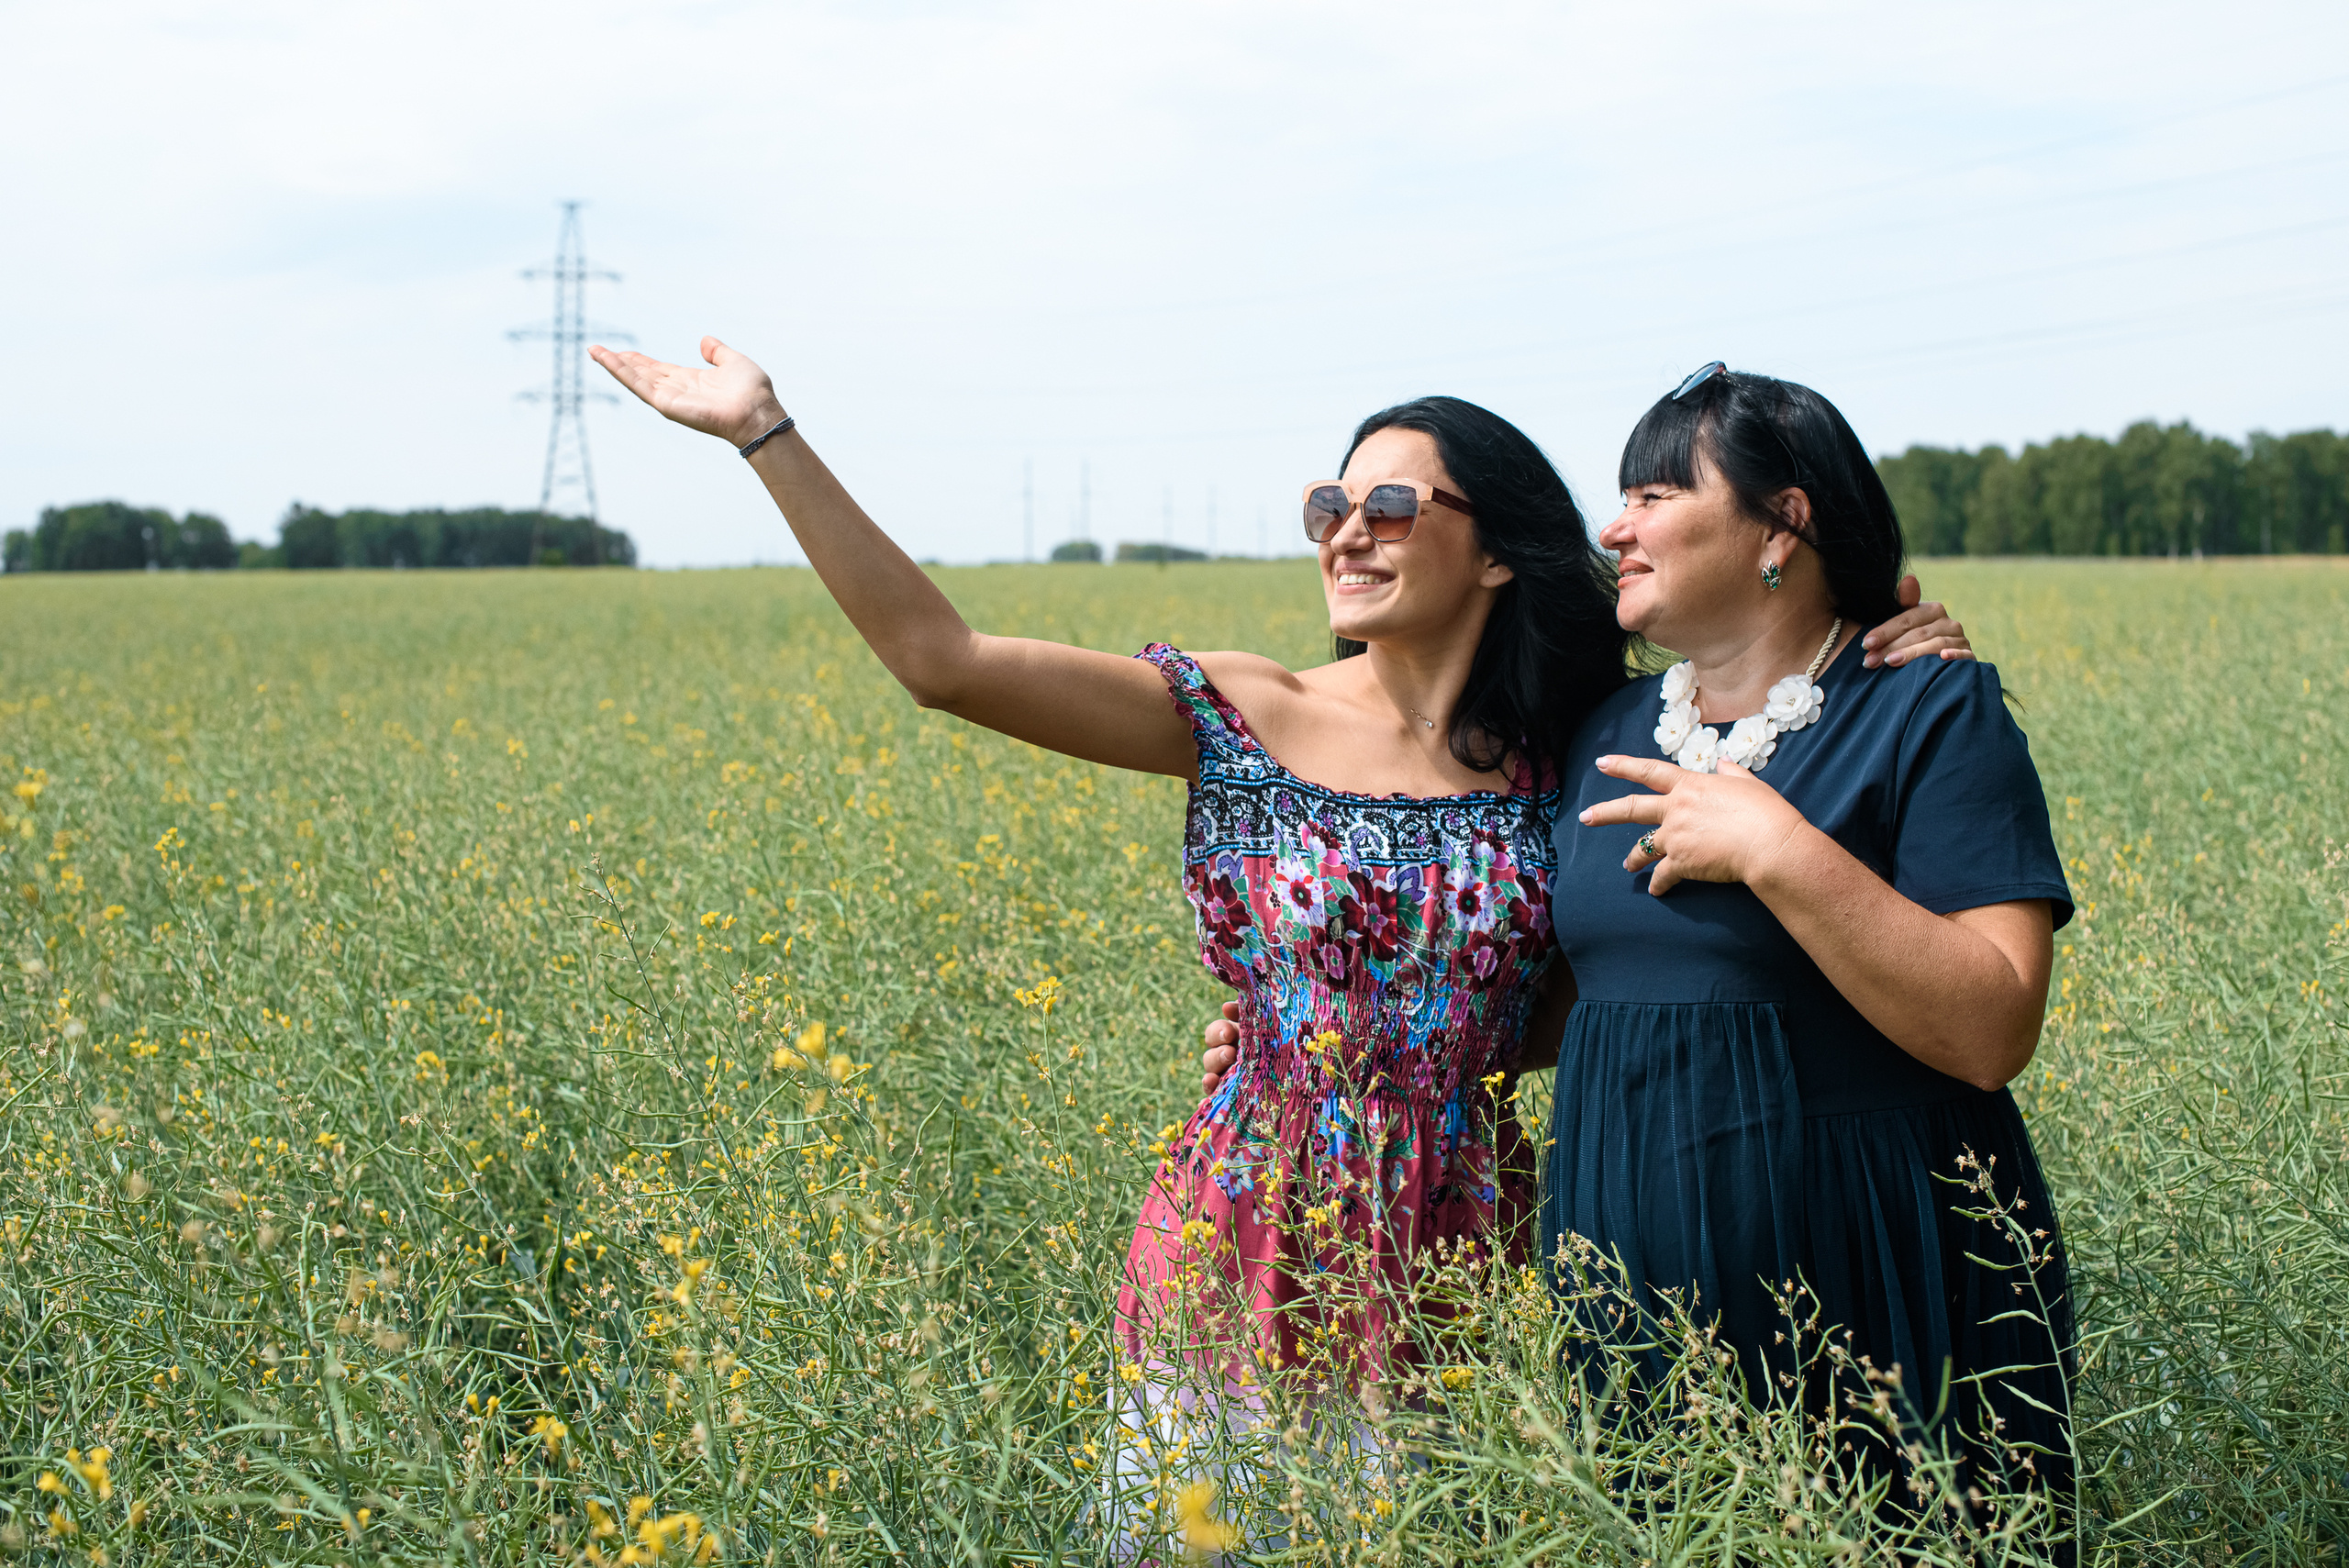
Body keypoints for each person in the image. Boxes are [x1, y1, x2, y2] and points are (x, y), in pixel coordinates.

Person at [589, 337, 1974, 1408]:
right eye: (1329, 500)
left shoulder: (1578, 746)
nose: (1343, 528)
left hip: (1467, 1262)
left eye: (1385, 501)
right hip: (1240, 1239)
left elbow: (1603, 967)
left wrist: (1888, 635)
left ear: (1494, 550)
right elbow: (943, 665)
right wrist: (767, 434)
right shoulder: (1238, 711)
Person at [1204, 363, 2071, 1513]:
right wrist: (1307, 1040)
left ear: (1783, 522)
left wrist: (1775, 846)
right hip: (1625, 1299)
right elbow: (1532, 981)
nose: (1616, 525)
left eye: (1656, 494)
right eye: (1621, 497)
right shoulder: (1600, 727)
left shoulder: (1927, 708)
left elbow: (1990, 1028)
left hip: (1869, 1282)